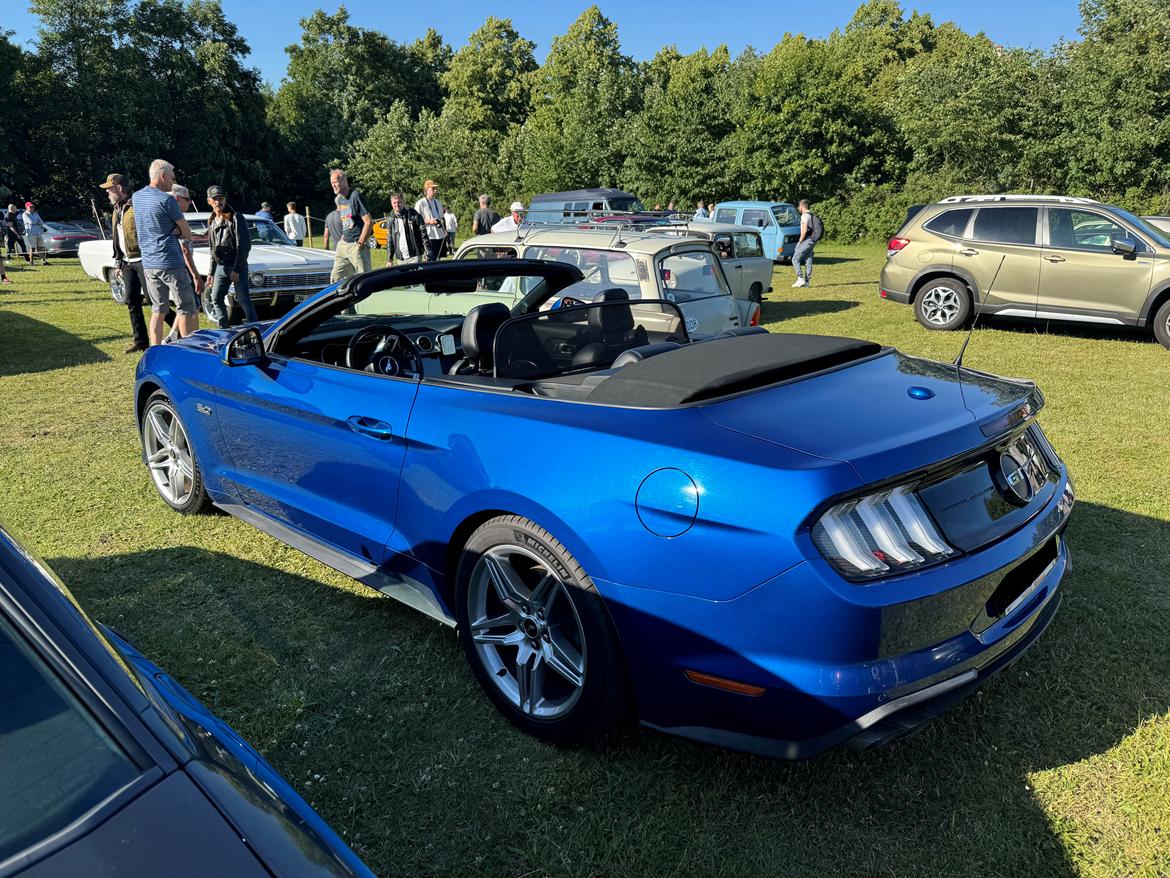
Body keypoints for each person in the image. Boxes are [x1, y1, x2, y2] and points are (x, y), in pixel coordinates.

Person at [132, 158, 199, 345]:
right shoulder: (167, 200)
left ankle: (155, 350)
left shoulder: (137, 197)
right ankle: (187, 350)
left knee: (158, 310)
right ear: (162, 176)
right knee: (186, 308)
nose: (173, 182)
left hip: (149, 262)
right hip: (171, 261)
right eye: (172, 178)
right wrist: (175, 231)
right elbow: (187, 233)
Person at [100, 173, 151, 353]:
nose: (107, 193)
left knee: (154, 301)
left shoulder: (137, 205)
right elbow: (118, 237)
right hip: (127, 262)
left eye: (110, 189)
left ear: (119, 188)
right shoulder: (116, 209)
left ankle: (179, 331)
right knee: (132, 301)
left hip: (144, 260)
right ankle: (141, 341)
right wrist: (118, 261)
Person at [204, 185, 257, 328]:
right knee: (215, 298)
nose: (218, 202)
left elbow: (244, 246)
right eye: (214, 199)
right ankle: (223, 329)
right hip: (221, 267)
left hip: (237, 265)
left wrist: (236, 269)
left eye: (220, 198)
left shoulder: (236, 217)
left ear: (225, 199)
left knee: (243, 299)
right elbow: (212, 249)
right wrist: (211, 272)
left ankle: (255, 328)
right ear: (209, 201)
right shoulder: (212, 221)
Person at [329, 169, 372, 281]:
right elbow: (347, 221)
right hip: (343, 245)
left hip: (356, 245)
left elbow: (368, 222)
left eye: (335, 182)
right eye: (332, 183)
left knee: (365, 279)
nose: (333, 185)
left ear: (344, 181)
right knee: (335, 278)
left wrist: (360, 244)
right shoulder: (340, 199)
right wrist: (342, 239)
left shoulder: (355, 196)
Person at [386, 192, 425, 265]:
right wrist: (389, 259)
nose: (397, 205)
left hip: (415, 256)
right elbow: (390, 241)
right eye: (394, 203)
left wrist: (427, 253)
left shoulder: (413, 215)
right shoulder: (391, 219)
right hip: (400, 259)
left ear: (404, 202)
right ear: (391, 204)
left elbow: (424, 235)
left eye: (399, 202)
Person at [792, 198, 822, 288]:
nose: (798, 208)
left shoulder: (804, 216)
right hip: (813, 240)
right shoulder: (811, 214)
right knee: (808, 259)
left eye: (799, 206)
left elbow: (804, 231)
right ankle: (807, 282)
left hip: (807, 240)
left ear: (802, 206)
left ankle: (800, 278)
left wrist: (799, 241)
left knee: (795, 259)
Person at [414, 180, 446, 262]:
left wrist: (444, 230)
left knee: (438, 259)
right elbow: (415, 221)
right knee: (430, 260)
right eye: (433, 189)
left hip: (439, 235)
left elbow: (441, 218)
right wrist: (429, 221)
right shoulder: (420, 203)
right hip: (428, 236)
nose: (435, 190)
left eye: (436, 189)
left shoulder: (438, 202)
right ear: (426, 190)